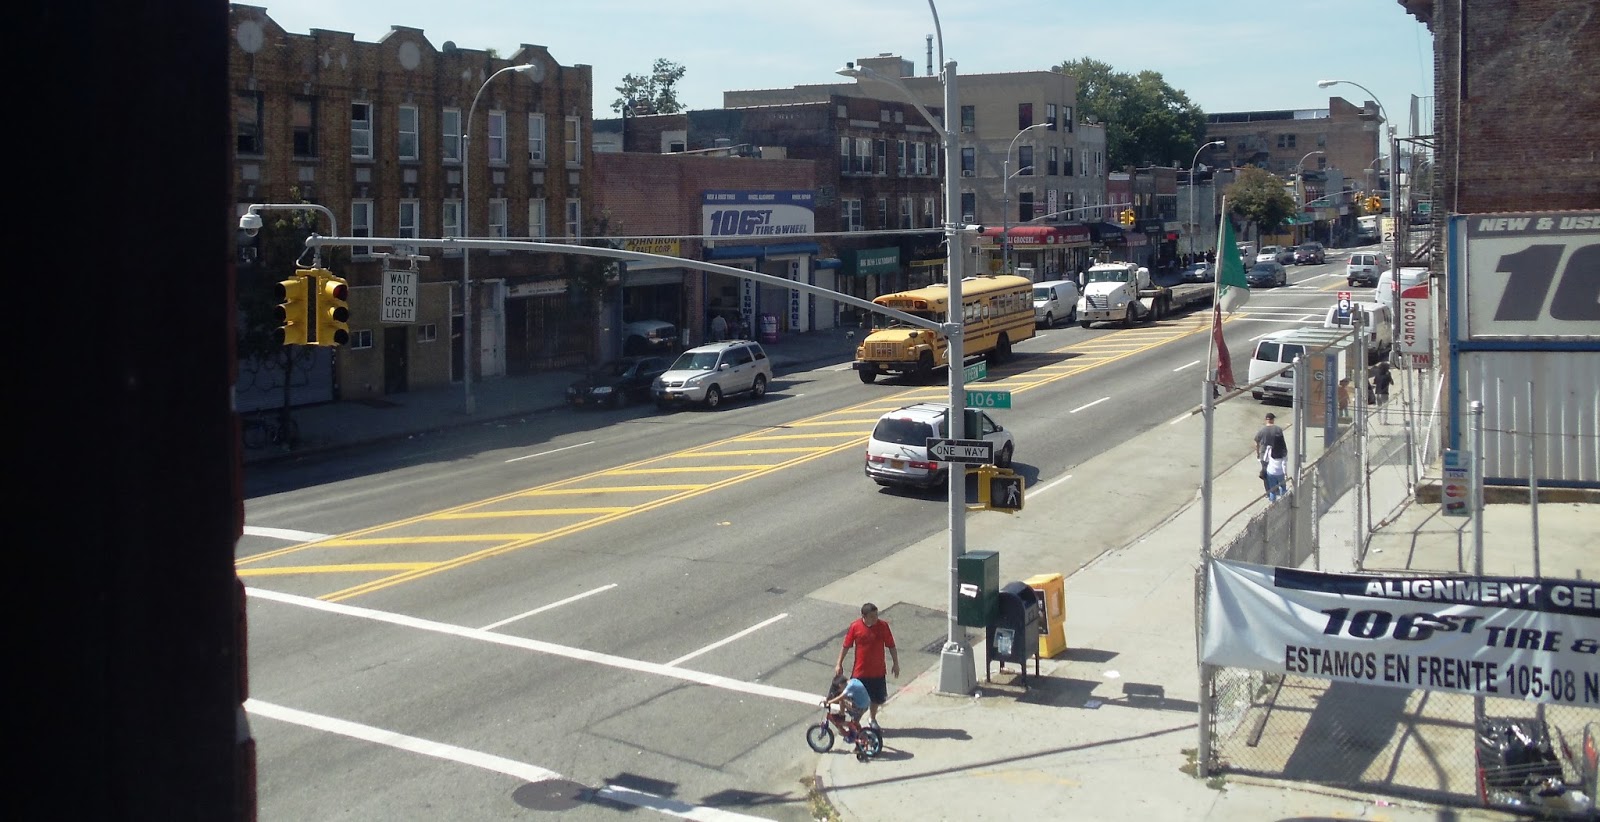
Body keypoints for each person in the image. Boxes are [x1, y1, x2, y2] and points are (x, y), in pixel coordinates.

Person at [833, 602, 899, 728]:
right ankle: (853, 721)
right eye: (872, 616)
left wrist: (896, 663)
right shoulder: (855, 627)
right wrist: (839, 663)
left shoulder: (883, 626)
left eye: (876, 615)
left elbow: (891, 645)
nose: (876, 618)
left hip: (878, 671)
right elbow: (846, 645)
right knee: (853, 697)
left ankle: (872, 719)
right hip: (860, 672)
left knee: (877, 699)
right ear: (864, 616)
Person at [823, 675, 871, 740]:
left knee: (841, 699)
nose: (839, 690)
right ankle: (843, 715)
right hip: (865, 703)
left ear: (840, 685)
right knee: (855, 722)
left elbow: (840, 697)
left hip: (860, 707)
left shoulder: (849, 687)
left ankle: (842, 716)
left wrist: (829, 702)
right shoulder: (852, 681)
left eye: (839, 689)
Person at [1264, 433, 1289, 502]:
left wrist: (1267, 449)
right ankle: (1283, 500)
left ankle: (1273, 503)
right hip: (1280, 472)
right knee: (1283, 487)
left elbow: (1265, 459)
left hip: (1271, 471)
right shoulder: (1284, 452)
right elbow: (1284, 464)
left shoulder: (1270, 448)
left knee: (1272, 489)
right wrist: (1285, 474)